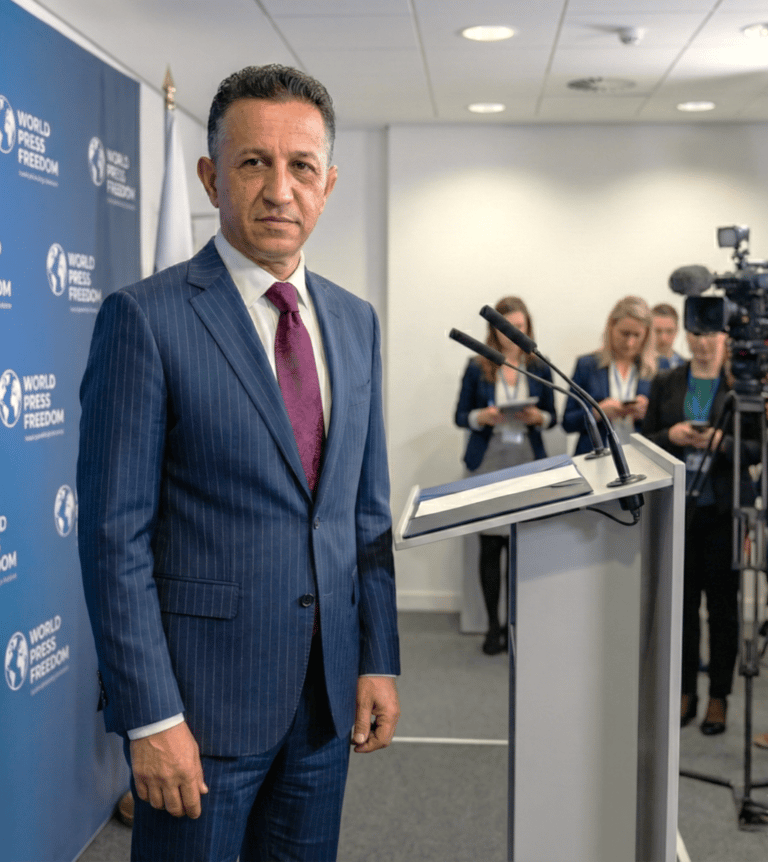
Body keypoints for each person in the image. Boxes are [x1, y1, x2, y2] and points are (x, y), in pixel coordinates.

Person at [77, 64, 401, 862]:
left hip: (323, 705)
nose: (279, 189)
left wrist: (378, 658)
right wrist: (151, 718)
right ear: (211, 176)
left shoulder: (354, 323)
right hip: (200, 710)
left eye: (300, 168)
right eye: (254, 163)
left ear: (327, 183)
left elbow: (365, 513)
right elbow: (114, 538)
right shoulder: (145, 320)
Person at [642, 329, 758, 734]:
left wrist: (723, 443)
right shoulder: (666, 382)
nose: (703, 344)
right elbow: (645, 441)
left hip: (724, 513)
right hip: (681, 511)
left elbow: (757, 449)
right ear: (686, 336)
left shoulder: (741, 386)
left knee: (723, 611)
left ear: (726, 338)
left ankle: (719, 697)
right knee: (683, 608)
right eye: (696, 335)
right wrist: (670, 437)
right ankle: (685, 691)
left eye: (711, 336)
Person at [454, 296, 556, 654]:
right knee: (490, 544)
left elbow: (553, 416)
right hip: (489, 459)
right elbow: (460, 416)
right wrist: (481, 417)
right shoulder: (475, 366)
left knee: (520, 545)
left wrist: (537, 418)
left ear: (527, 329)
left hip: (526, 458)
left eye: (519, 328)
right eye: (505, 329)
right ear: (494, 331)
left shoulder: (539, 368)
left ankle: (516, 622)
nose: (512, 336)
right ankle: (493, 626)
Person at [562, 295, 654, 455]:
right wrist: (597, 413)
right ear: (611, 327)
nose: (630, 342)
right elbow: (567, 422)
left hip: (641, 457)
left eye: (637, 335)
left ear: (646, 335)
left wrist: (648, 413)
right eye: (625, 333)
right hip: (596, 457)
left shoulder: (657, 368)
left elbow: (668, 426)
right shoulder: (587, 365)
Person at [652, 302, 686, 370]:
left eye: (669, 331)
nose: (663, 338)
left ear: (676, 330)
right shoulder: (635, 365)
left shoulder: (686, 368)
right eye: (657, 331)